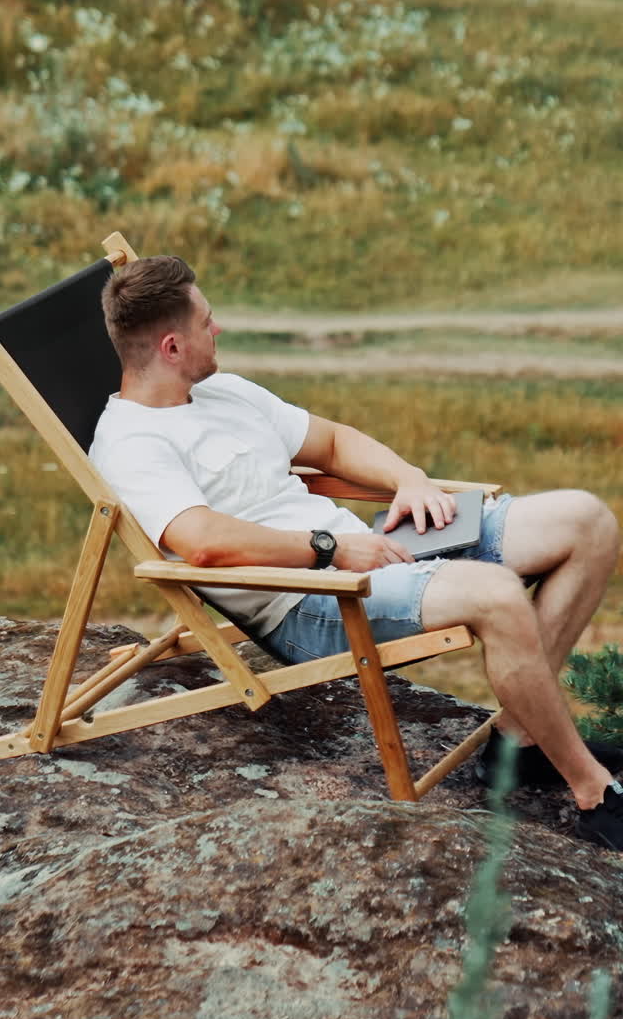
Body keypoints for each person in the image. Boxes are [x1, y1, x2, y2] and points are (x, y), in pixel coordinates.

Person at [89, 254, 623, 850]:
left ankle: (521, 743)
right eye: (207, 321)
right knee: (496, 596)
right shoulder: (132, 443)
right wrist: (331, 549)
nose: (219, 330)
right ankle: (590, 788)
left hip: (363, 549)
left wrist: (409, 479)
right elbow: (203, 543)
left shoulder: (222, 392)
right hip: (311, 599)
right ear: (171, 346)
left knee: (587, 520)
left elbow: (333, 441)